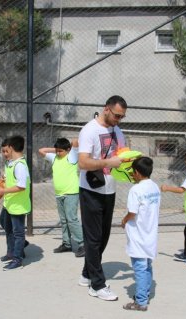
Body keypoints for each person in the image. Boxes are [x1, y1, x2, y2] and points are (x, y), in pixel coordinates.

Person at [77, 95, 128, 301]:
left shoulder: (118, 131)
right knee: (93, 237)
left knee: (103, 236)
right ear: (106, 109)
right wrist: (109, 161)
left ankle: (86, 273)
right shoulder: (89, 130)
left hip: (109, 190)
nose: (118, 119)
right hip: (91, 190)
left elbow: (122, 157)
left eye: (122, 117)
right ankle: (97, 285)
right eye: (116, 115)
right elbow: (83, 163)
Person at [120, 157, 161, 312]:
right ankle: (145, 294)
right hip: (150, 235)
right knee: (147, 266)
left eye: (132, 171)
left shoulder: (136, 190)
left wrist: (124, 221)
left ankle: (141, 302)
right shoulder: (154, 187)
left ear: (136, 172)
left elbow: (132, 212)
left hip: (138, 236)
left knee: (140, 269)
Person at [38, 138, 85, 257]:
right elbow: (41, 150)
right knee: (64, 220)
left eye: (61, 151)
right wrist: (56, 148)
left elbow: (75, 142)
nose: (58, 153)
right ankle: (67, 244)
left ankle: (83, 244)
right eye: (57, 151)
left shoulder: (72, 157)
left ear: (68, 150)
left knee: (71, 219)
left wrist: (66, 146)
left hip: (71, 193)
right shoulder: (54, 158)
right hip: (59, 194)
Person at [0, 135, 31, 271]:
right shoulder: (11, 164)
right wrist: (3, 180)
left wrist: (3, 191)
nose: (4, 154)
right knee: (5, 224)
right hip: (9, 203)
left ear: (12, 148)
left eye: (5, 151)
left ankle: (17, 258)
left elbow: (21, 186)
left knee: (18, 233)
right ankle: (12, 251)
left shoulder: (20, 165)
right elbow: (12, 180)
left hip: (18, 206)